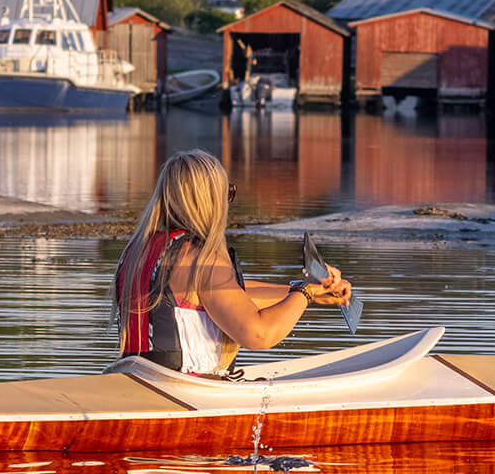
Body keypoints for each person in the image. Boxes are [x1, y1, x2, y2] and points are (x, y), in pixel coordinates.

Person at [115, 150, 351, 375]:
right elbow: (259, 335)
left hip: (137, 381)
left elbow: (225, 295)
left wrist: (303, 291)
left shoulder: (137, 251)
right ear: (211, 201)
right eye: (228, 193)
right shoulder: (202, 260)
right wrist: (305, 291)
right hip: (188, 393)